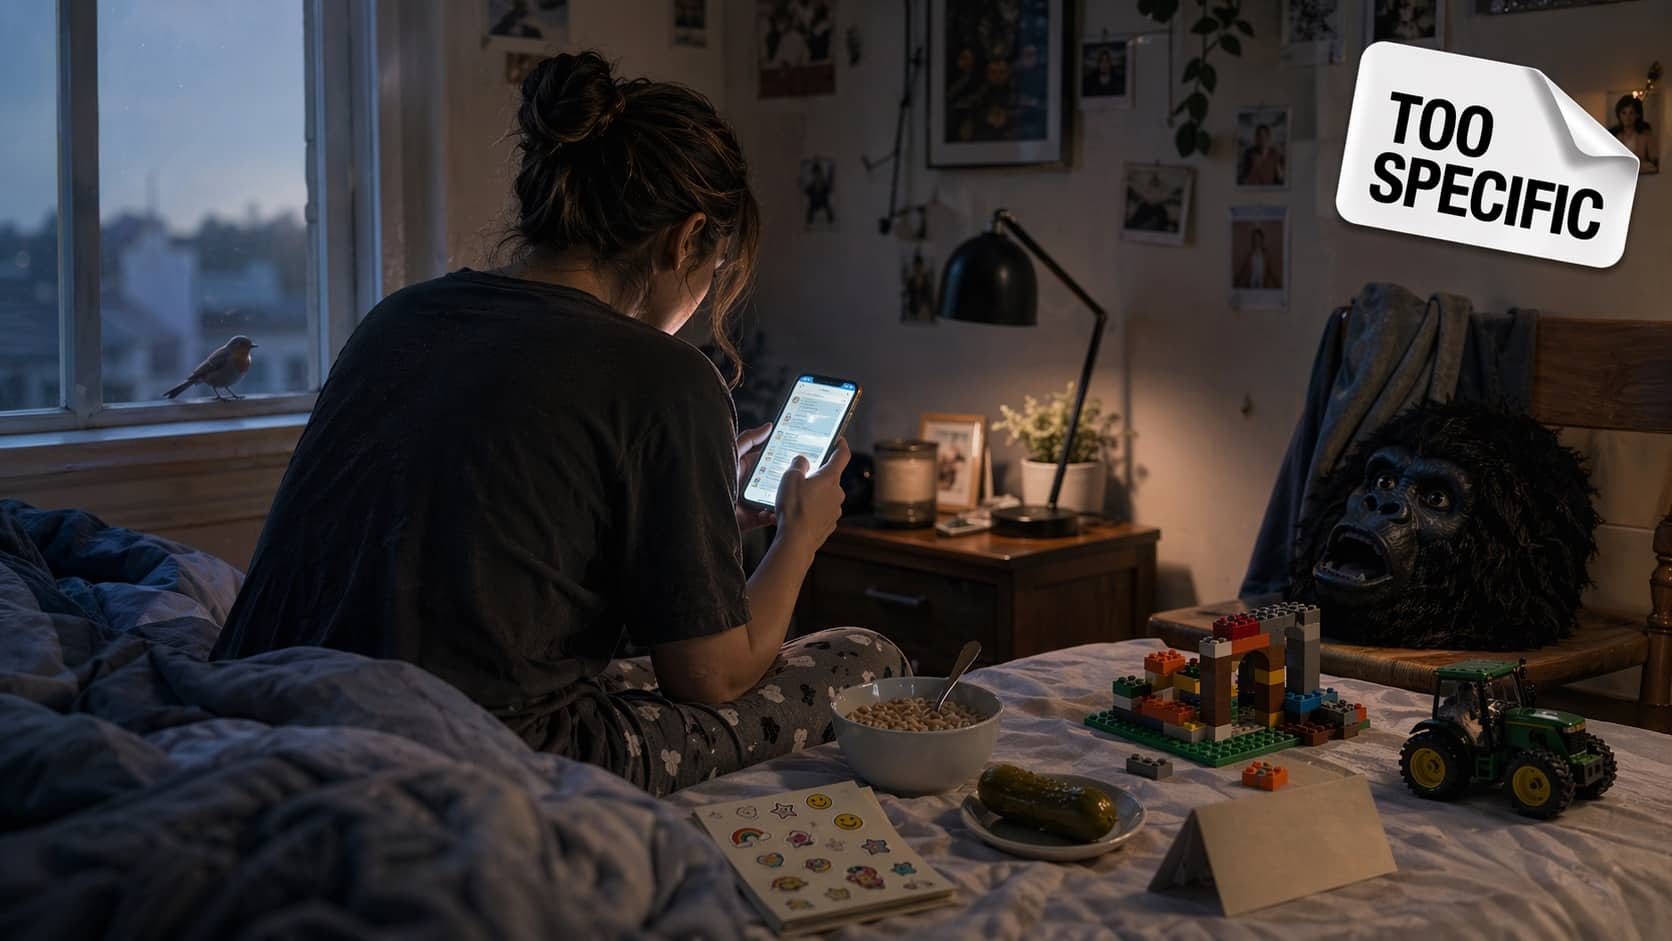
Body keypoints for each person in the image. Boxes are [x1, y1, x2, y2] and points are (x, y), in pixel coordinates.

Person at [211, 51, 906, 797]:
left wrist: (702, 515)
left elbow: (505, 550)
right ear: (687, 238)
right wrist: (799, 533)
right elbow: (710, 678)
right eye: (713, 269)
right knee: (865, 658)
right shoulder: (664, 374)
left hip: (272, 698)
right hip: (483, 747)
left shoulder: (401, 316)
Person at [1609, 94, 1660, 173]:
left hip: (1643, 175)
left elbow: (1654, 162)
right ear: (1619, 114)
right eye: (1624, 113)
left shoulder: (1646, 135)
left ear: (1637, 115)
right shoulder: (1614, 135)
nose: (1627, 117)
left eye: (1631, 113)